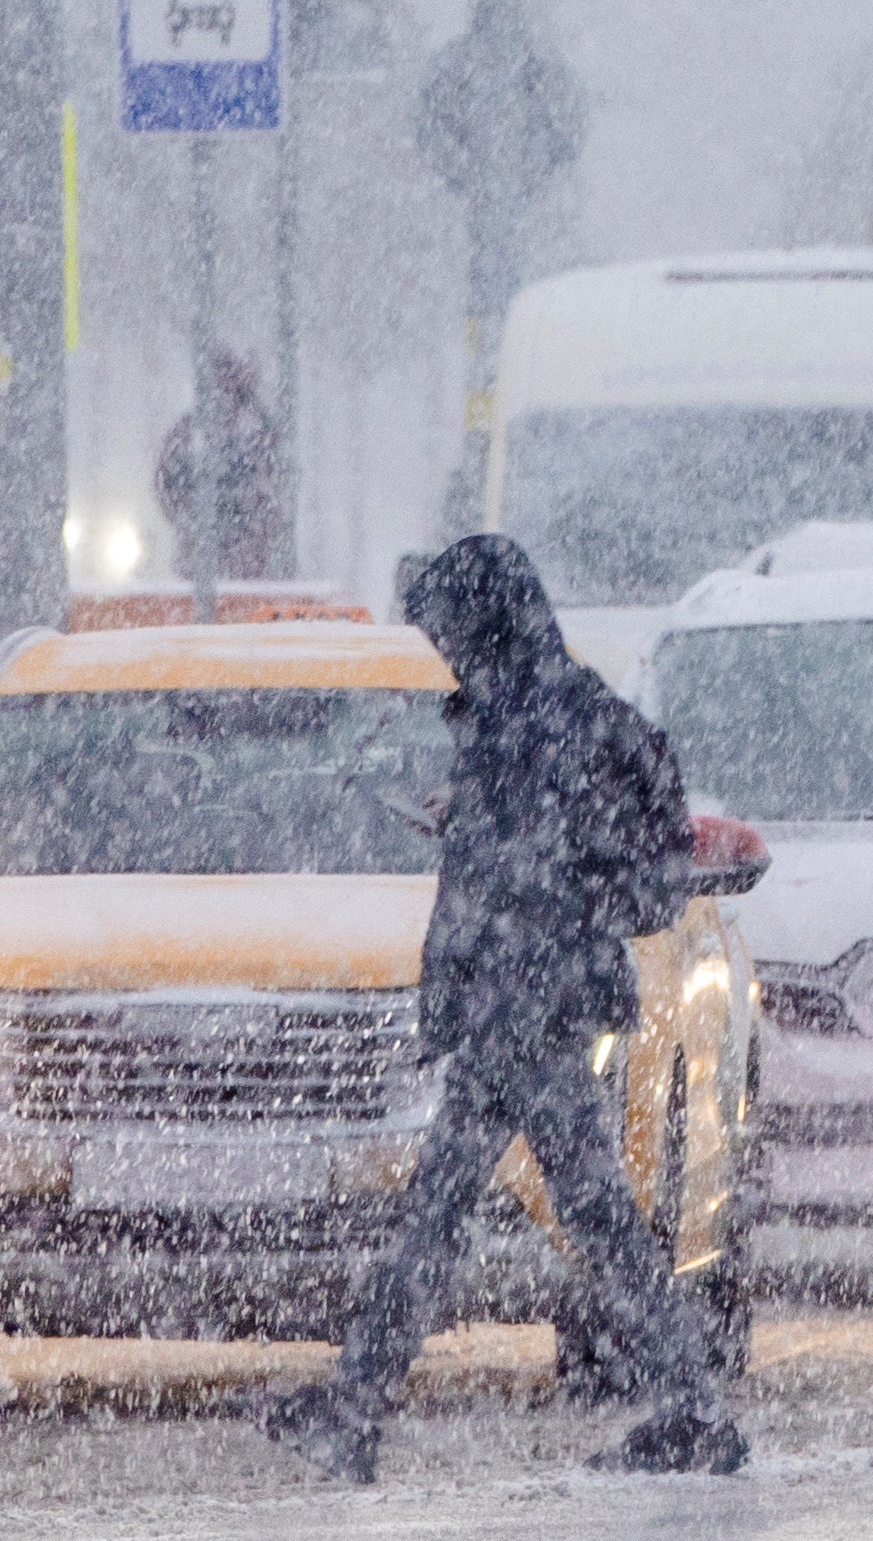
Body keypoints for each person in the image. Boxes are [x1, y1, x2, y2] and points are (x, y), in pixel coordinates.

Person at [260, 537, 737, 1483]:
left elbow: (551, 857)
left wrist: (508, 853)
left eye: (448, 629)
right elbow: (609, 841)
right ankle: (685, 1403)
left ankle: (358, 1406)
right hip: (531, 993)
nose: (442, 649)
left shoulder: (533, 720)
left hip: (521, 998)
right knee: (531, 1206)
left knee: (468, 1209)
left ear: (485, 624)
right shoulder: (556, 709)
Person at [157, 347, 296, 587]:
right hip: (211, 556)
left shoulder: (260, 432)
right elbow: (166, 484)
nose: (224, 394)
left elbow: (279, 484)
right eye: (219, 385)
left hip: (247, 558)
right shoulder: (190, 432)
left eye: (229, 385)